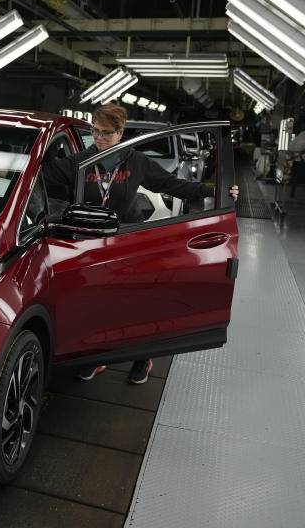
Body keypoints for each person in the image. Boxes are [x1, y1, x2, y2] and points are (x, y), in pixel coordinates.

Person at [45, 103, 239, 385]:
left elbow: (172, 185)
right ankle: (96, 357)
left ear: (120, 133)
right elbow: (43, 175)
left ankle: (142, 358)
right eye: (96, 132)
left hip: (128, 237)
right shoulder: (80, 162)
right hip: (91, 242)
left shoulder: (135, 161)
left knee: (134, 300)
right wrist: (4, 172)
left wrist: (215, 190)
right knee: (96, 301)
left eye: (106, 133)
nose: (99, 139)